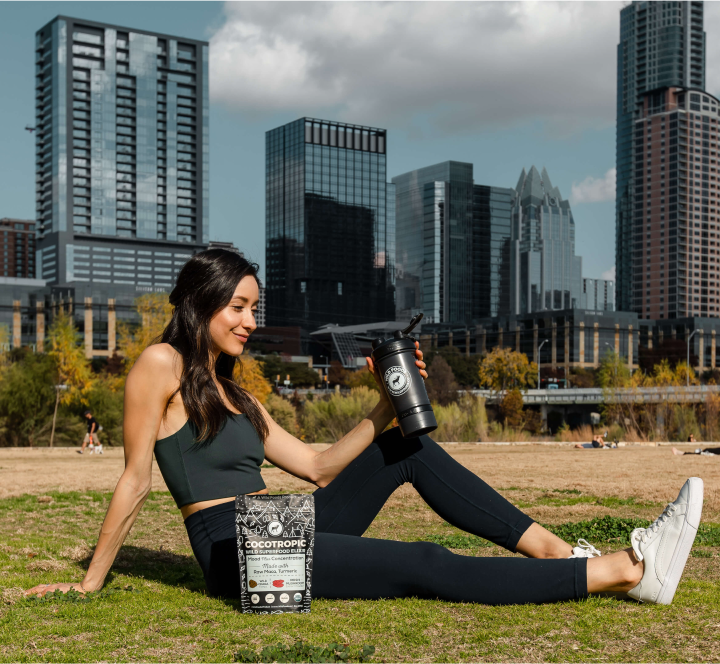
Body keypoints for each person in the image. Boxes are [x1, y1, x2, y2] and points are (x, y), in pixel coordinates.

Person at [27, 249, 704, 607]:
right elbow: (135, 478)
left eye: (255, 308)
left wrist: (386, 403)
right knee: (422, 563)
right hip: (234, 550)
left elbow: (320, 468)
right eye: (238, 306)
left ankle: (559, 553)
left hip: (282, 521)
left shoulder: (237, 395)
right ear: (202, 302)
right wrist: (90, 581)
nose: (250, 321)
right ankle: (623, 571)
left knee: (406, 444)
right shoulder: (159, 364)